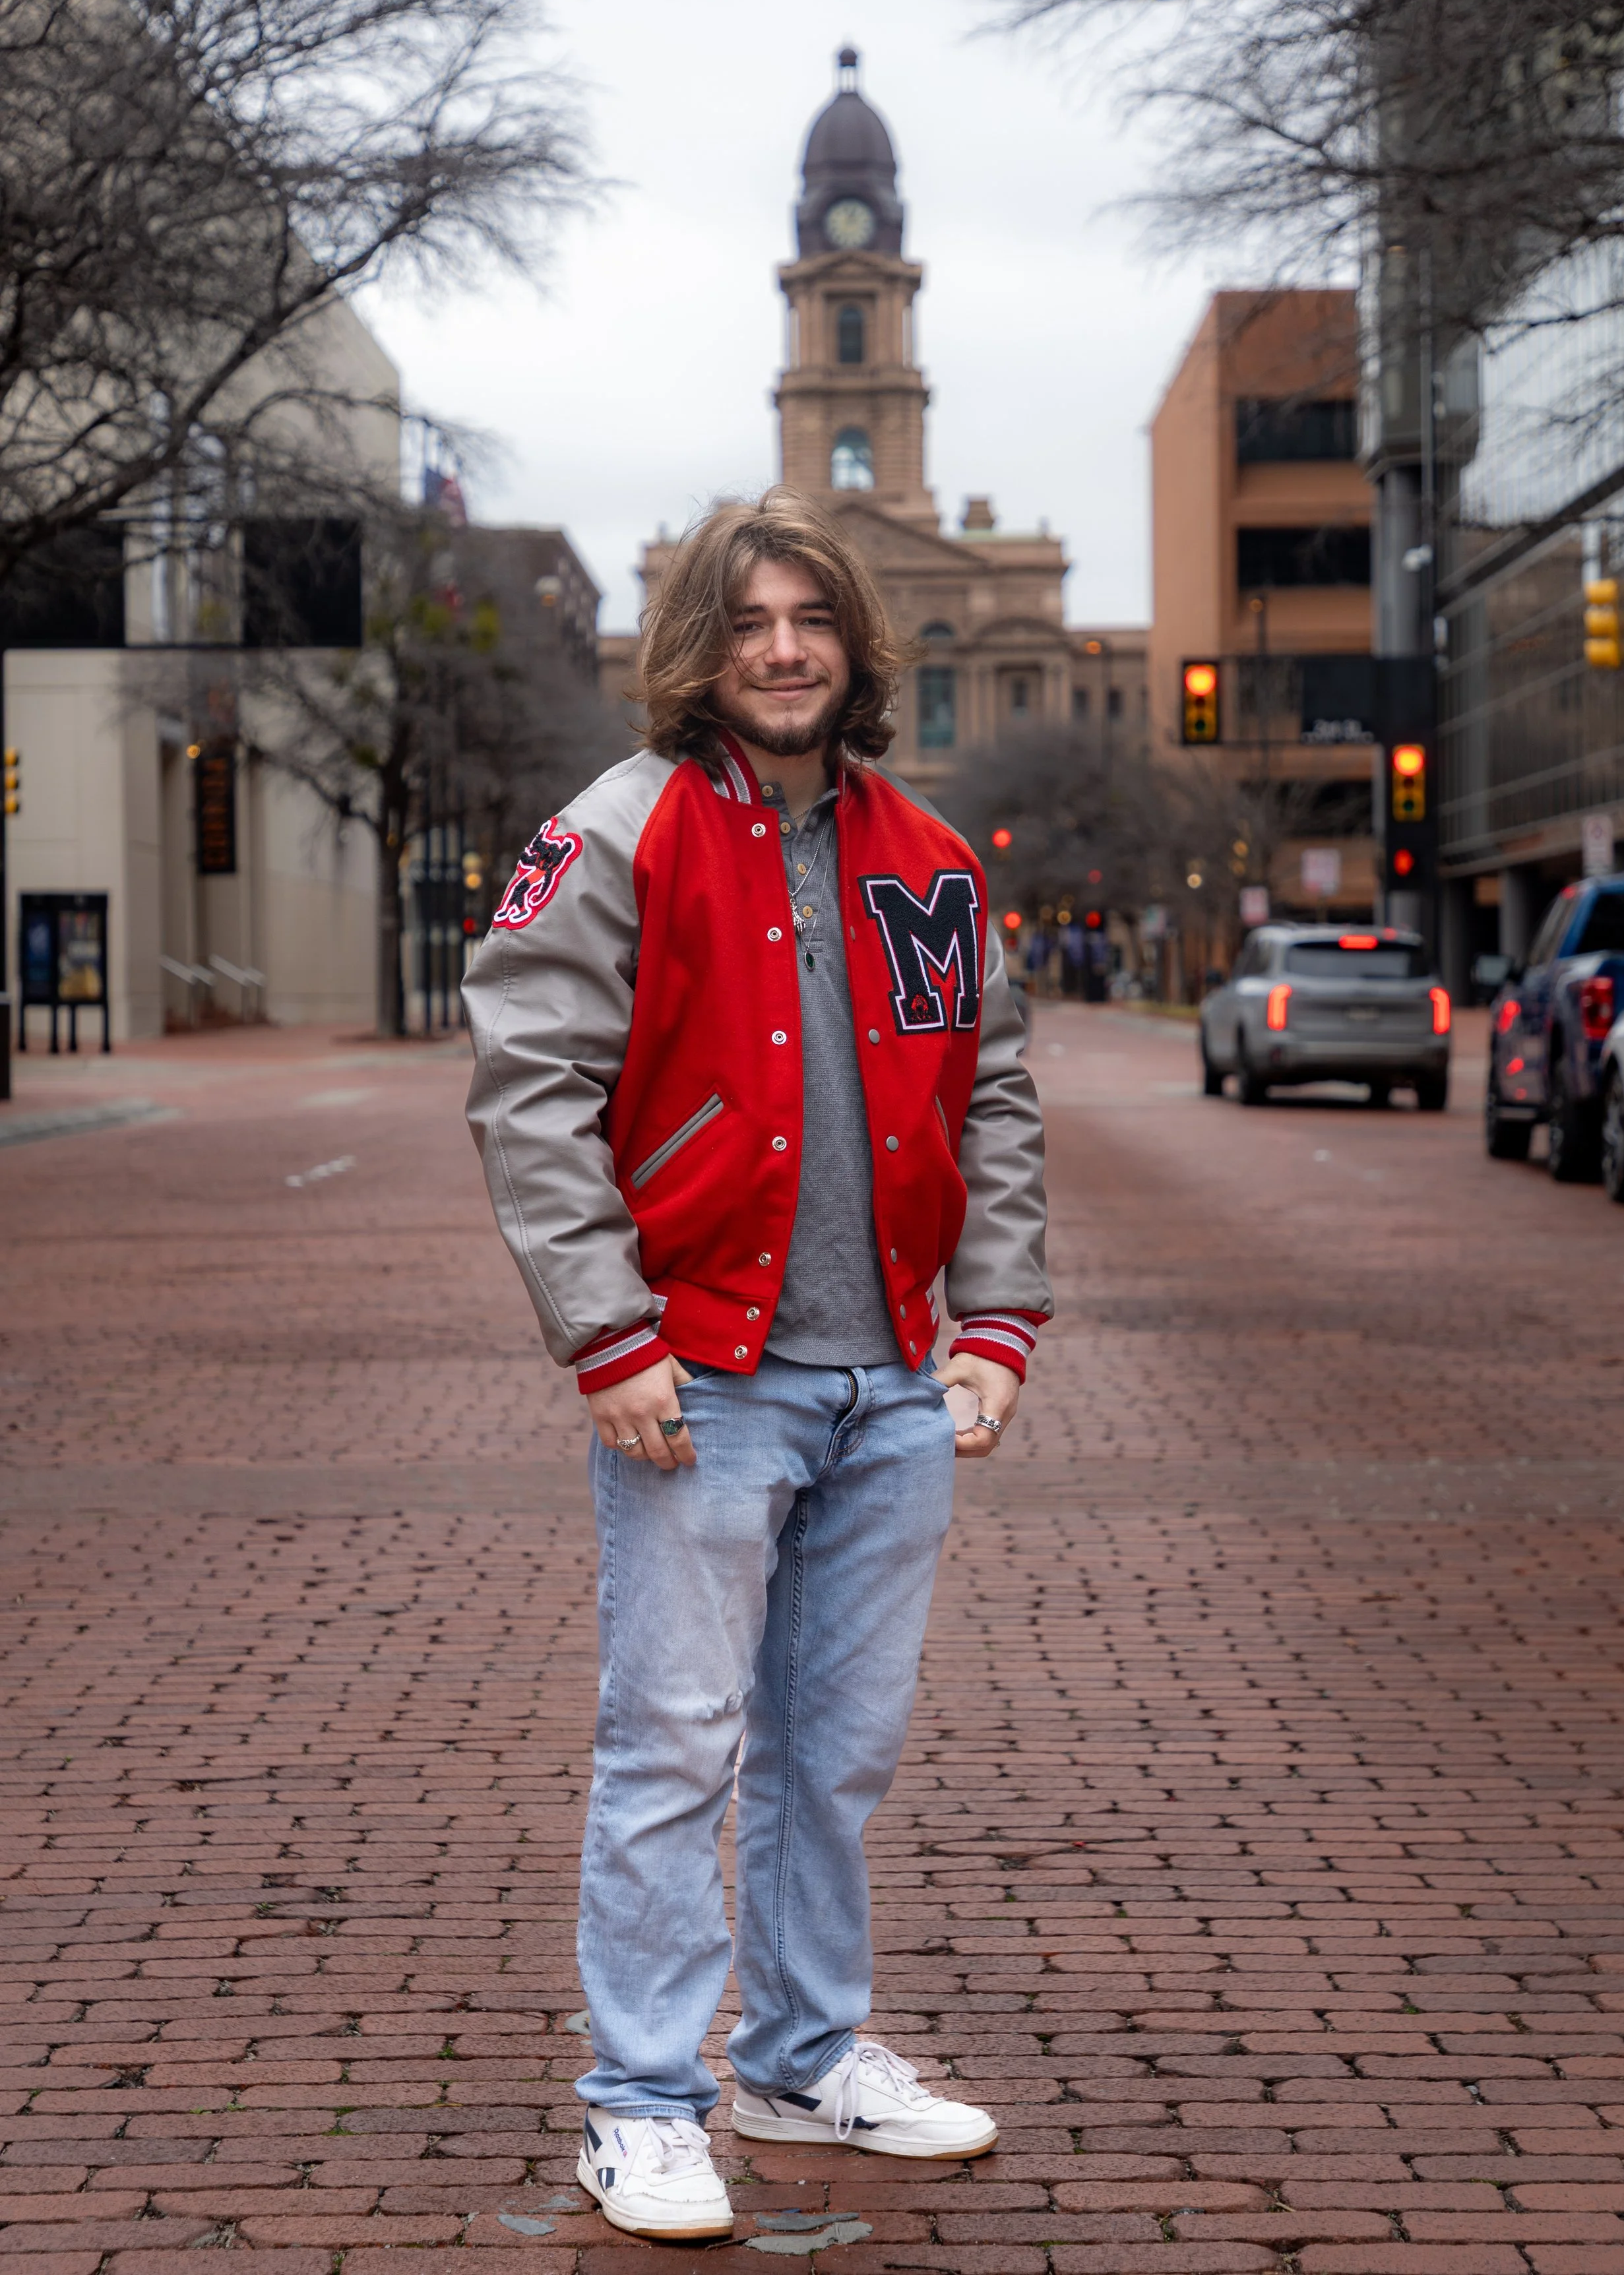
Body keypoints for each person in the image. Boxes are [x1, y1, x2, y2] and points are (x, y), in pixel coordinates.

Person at [463, 487, 1051, 2243]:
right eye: (746, 621)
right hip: (699, 1377)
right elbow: (529, 1096)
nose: (782, 647)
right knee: (676, 1741)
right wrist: (605, 1333)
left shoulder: (929, 857)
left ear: (854, 643)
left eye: (809, 618)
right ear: (697, 649)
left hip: (891, 1381)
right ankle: (641, 2103)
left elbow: (993, 1092)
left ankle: (801, 2056)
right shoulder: (615, 832)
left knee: (836, 1747)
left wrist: (997, 1320)